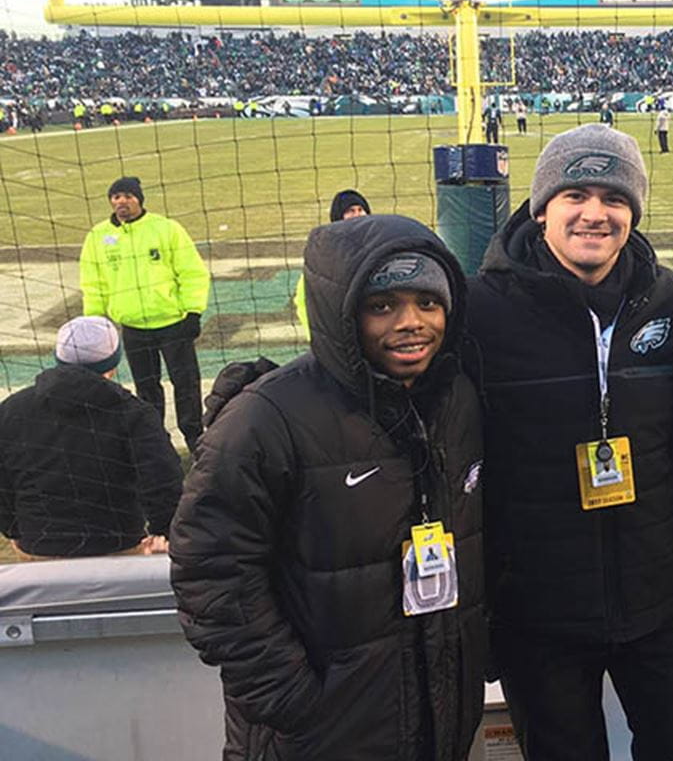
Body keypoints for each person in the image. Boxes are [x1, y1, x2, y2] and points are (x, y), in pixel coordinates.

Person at [170, 214, 485, 760]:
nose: (411, 323)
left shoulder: (457, 400)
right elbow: (209, 571)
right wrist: (297, 701)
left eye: (428, 303)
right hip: (319, 733)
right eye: (382, 306)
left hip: (437, 716)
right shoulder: (265, 419)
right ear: (342, 314)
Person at [467, 123, 673, 760]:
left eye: (614, 198)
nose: (594, 214)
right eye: (575, 194)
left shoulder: (669, 301)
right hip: (540, 609)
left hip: (660, 601)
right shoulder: (480, 311)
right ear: (542, 206)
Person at [1, 315, 181, 560]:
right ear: (114, 363)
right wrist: (166, 534)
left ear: (58, 357)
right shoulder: (133, 413)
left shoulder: (12, 410)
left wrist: (15, 531)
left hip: (40, 547)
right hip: (118, 549)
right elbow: (162, 481)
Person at [79, 176, 210, 453]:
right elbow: (93, 284)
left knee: (186, 384)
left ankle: (195, 439)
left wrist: (193, 311)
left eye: (127, 195)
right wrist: (96, 325)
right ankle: (155, 442)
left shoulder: (166, 229)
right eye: (115, 197)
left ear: (139, 199)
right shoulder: (98, 237)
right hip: (134, 328)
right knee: (147, 389)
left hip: (173, 324)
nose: (121, 202)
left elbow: (192, 271)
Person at [294, 188, 372, 335]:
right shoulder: (326, 250)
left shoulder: (377, 243)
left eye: (361, 209)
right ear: (338, 216)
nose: (357, 215)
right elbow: (304, 298)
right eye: (350, 211)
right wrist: (316, 337)